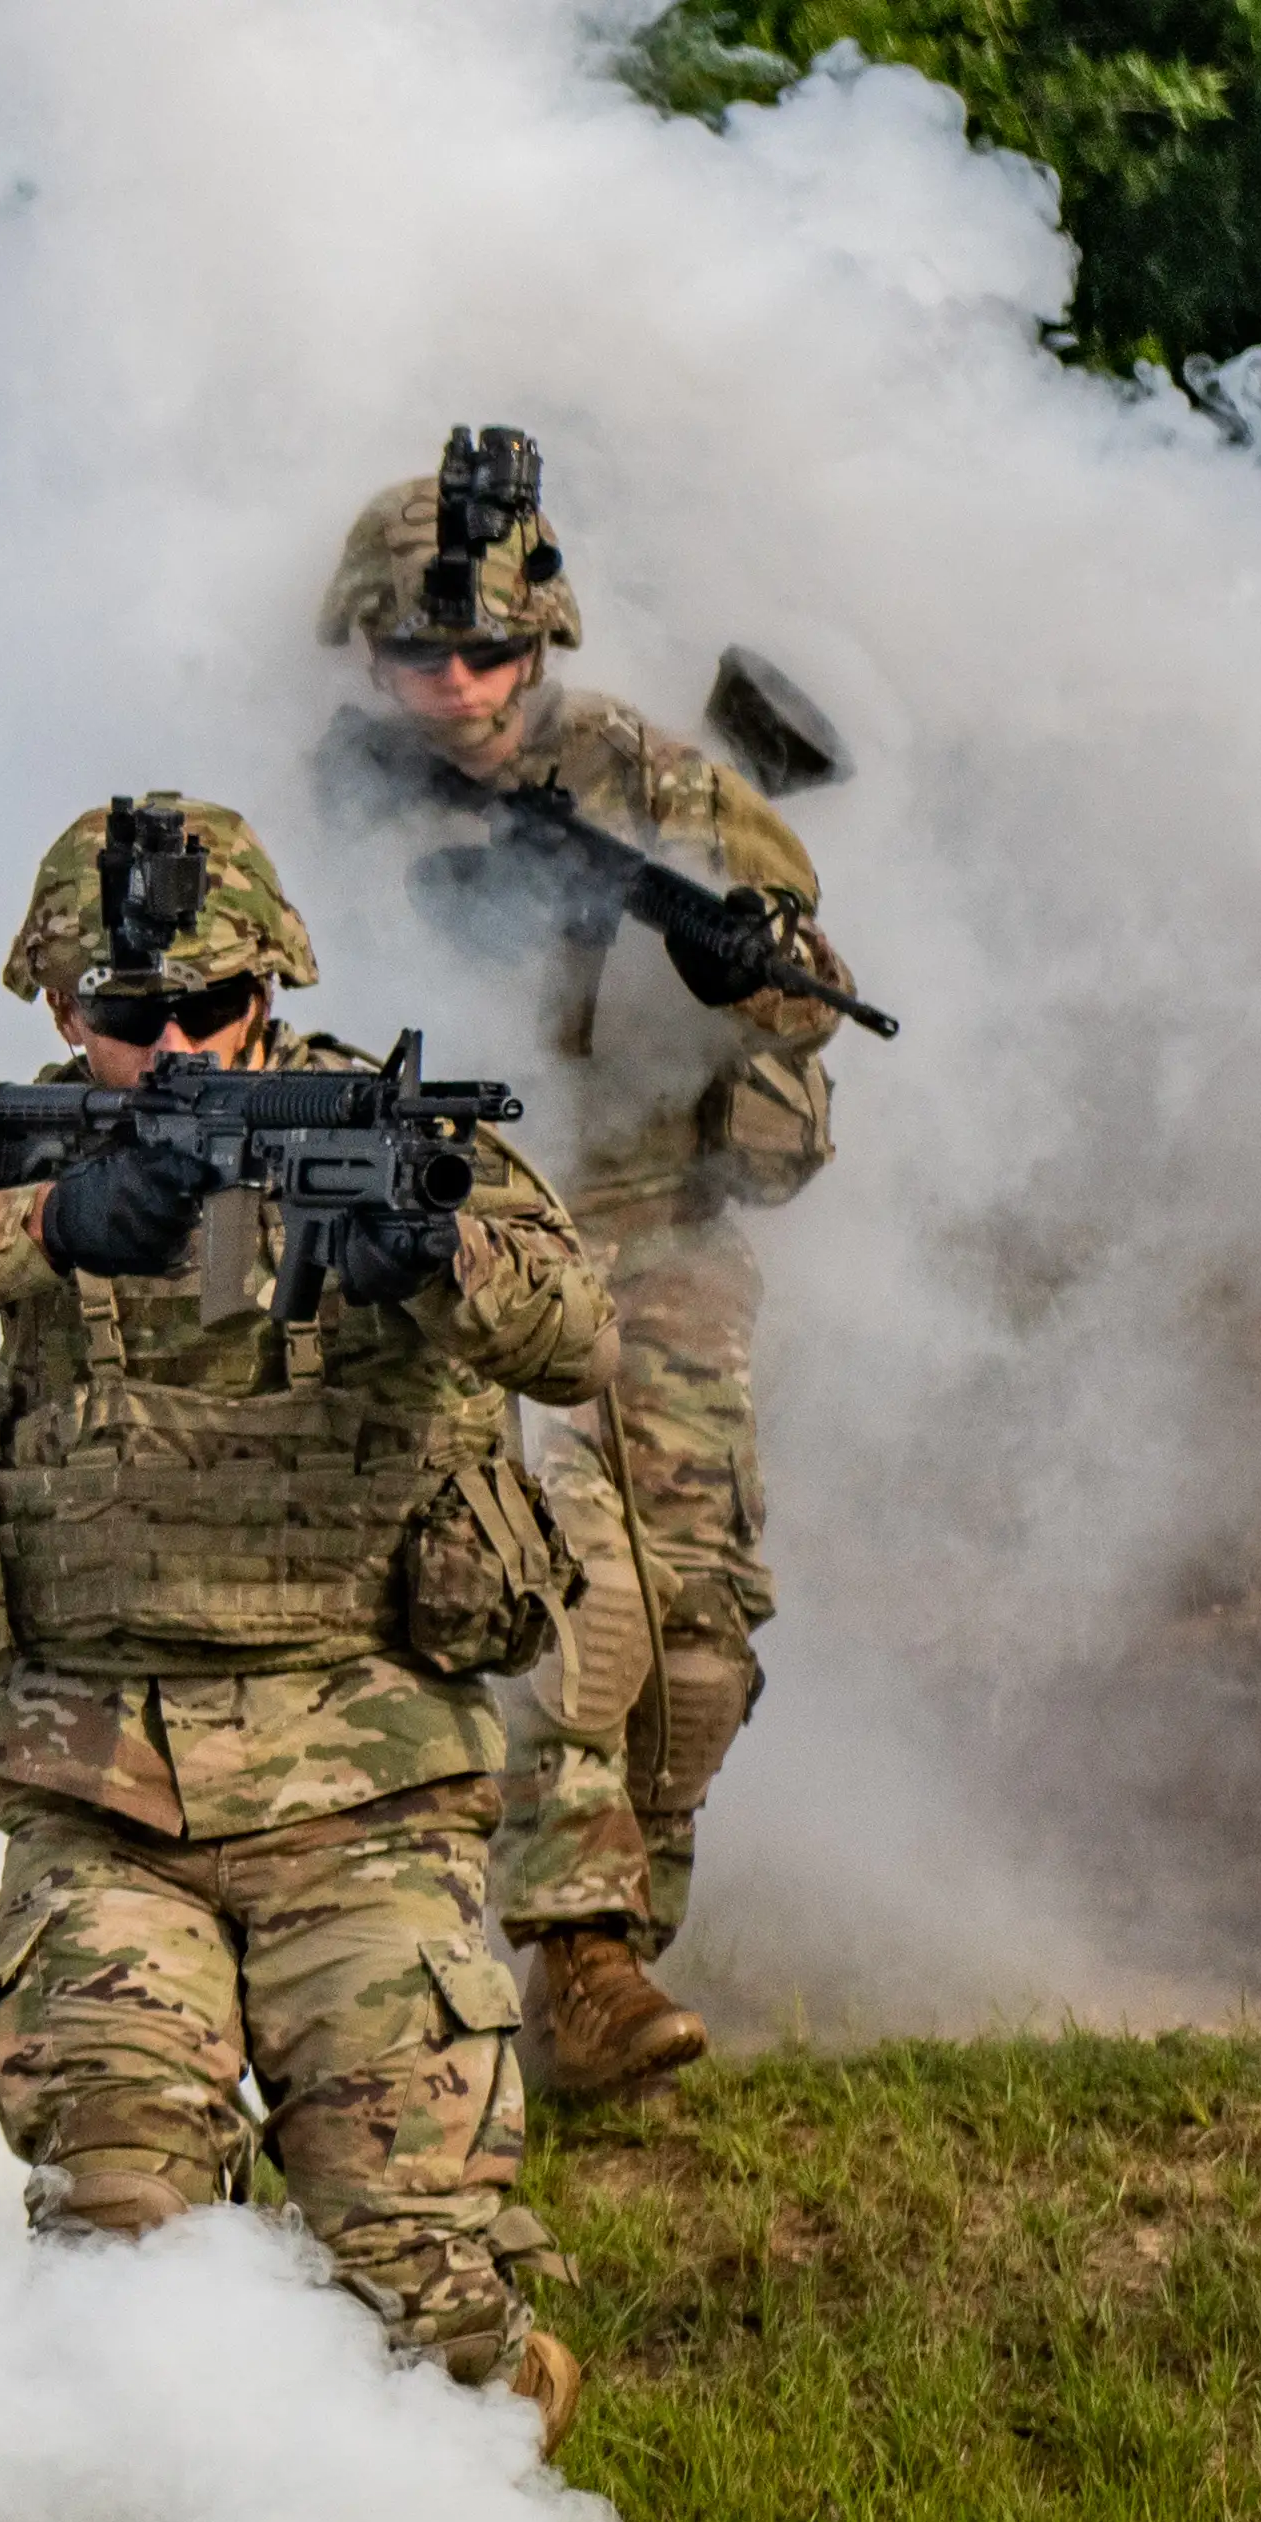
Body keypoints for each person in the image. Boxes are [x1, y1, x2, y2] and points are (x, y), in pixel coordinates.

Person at [0, 797, 614, 2447]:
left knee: (415, 2292)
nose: (170, 1044)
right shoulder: (17, 1136)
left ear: (271, 991)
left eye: (206, 1010)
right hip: (102, 1780)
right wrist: (41, 1225)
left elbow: (575, 1336)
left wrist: (432, 1254)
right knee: (125, 2251)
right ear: (61, 1009)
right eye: (125, 1016)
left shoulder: (380, 1118)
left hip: (365, 1779)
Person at [314, 433, 860, 2100]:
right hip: (468, 1227)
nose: (461, 684)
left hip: (656, 1229)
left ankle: (602, 1947)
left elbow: (802, 1032)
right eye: (422, 653)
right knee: (561, 1580)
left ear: (546, 639)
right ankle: (578, 1947)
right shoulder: (323, 806)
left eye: (492, 650)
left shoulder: (668, 789)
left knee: (698, 1640)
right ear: (365, 645)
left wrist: (744, 978)